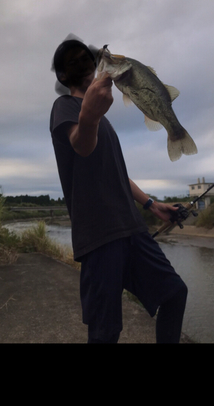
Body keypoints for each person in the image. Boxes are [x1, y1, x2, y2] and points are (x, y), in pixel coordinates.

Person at [50, 34, 188, 343]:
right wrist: (89, 116)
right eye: (74, 61)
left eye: (87, 57)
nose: (84, 63)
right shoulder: (65, 108)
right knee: (106, 330)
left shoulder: (103, 121)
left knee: (175, 293)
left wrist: (151, 204)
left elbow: (117, 173)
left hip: (132, 229)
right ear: (63, 75)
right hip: (99, 237)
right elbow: (81, 145)